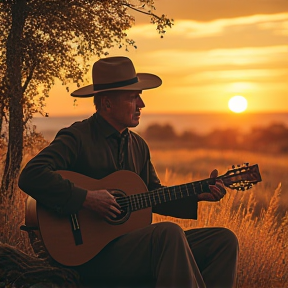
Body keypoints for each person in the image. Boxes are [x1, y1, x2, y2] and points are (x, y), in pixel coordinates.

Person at [18, 56, 239, 288]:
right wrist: (87, 199)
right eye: (133, 97)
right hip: (90, 257)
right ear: (106, 103)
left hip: (130, 247)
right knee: (168, 234)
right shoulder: (78, 137)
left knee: (223, 240)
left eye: (140, 96)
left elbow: (152, 195)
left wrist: (197, 195)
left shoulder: (138, 145)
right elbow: (32, 174)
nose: (141, 104)